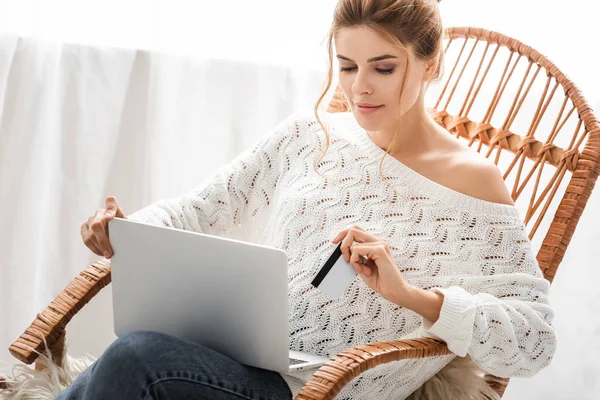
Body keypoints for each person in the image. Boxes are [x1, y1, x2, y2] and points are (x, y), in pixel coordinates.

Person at [58, 0, 557, 399]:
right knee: (134, 351)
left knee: (135, 358)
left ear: (431, 64)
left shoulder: (472, 183)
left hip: (316, 390)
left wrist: (408, 295)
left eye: (383, 68)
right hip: (234, 356)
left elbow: (534, 341)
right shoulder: (307, 135)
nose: (359, 87)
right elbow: (197, 209)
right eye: (346, 66)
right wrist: (125, 231)